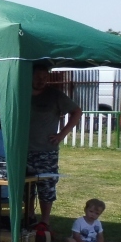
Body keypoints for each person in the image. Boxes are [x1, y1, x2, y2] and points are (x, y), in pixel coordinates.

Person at [28, 63, 82, 227]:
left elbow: (77, 111)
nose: (41, 80)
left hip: (46, 151)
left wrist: (61, 134)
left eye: (45, 77)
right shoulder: (21, 93)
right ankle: (29, 218)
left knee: (46, 188)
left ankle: (44, 222)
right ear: (30, 76)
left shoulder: (54, 95)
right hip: (23, 151)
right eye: (38, 76)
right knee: (26, 188)